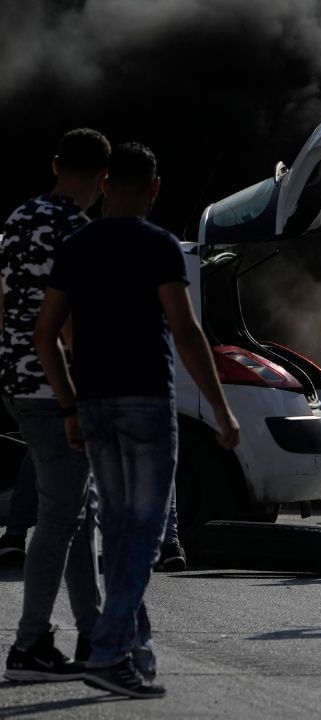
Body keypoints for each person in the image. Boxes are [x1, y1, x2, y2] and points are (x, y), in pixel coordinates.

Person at [35, 142, 240, 699]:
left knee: (121, 529)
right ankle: (107, 652)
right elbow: (187, 330)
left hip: (95, 403)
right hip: (146, 402)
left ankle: (134, 648)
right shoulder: (159, 247)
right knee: (144, 534)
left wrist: (69, 403)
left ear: (105, 184)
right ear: (154, 188)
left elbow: (45, 333)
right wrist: (221, 409)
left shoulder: (75, 246)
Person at [0, 128, 109, 682]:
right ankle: (29, 646)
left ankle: (93, 637)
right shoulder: (77, 231)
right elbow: (70, 326)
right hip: (57, 391)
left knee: (75, 515)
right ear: (104, 179)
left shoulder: (18, 220)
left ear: (55, 164)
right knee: (59, 520)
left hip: (20, 383)